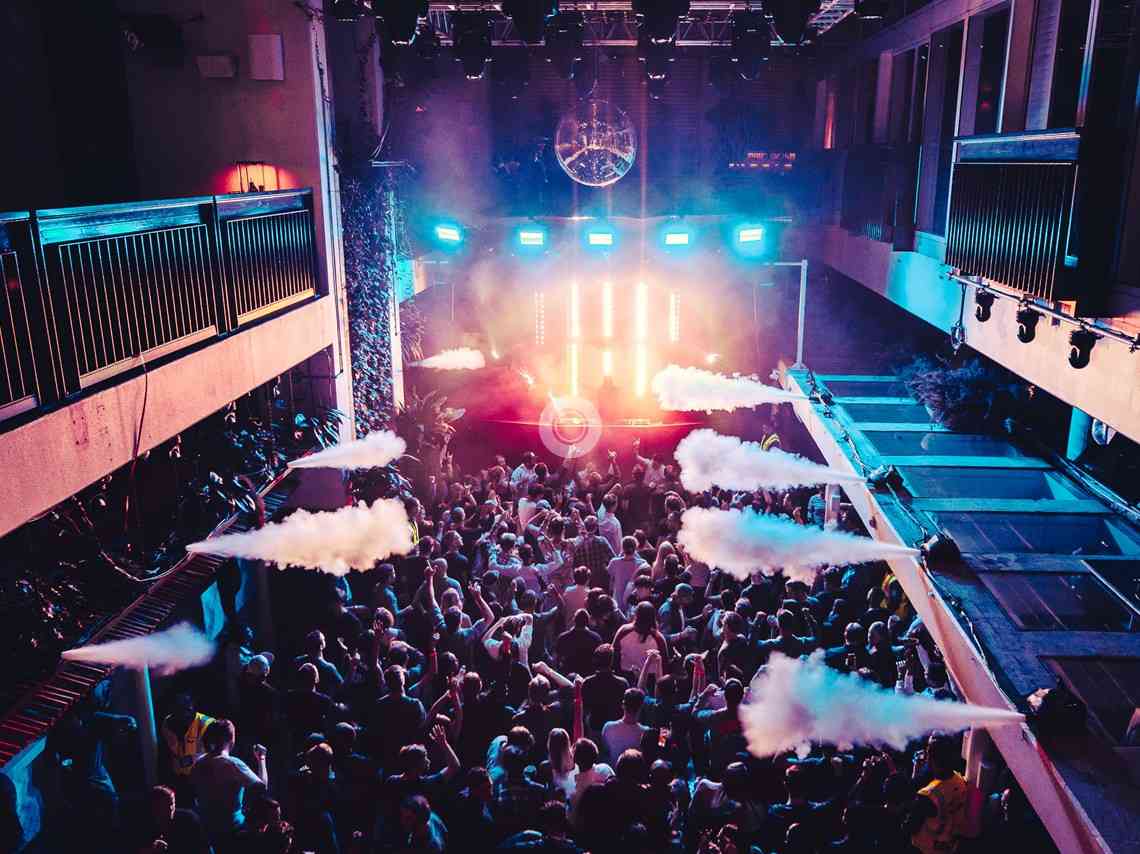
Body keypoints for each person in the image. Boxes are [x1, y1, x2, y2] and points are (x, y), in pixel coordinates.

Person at [190, 719, 268, 843]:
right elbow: (262, 788)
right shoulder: (232, 763)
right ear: (231, 739)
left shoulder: (198, 762)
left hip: (206, 830)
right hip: (233, 831)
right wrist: (261, 758)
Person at [910, 734, 978, 854]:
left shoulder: (927, 794)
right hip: (949, 847)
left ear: (931, 760)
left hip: (925, 849)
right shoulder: (959, 780)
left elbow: (911, 826)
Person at [613, 602, 669, 679]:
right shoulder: (658, 637)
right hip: (649, 678)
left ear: (636, 615)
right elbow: (665, 662)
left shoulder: (623, 631)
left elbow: (614, 654)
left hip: (625, 675)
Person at [601, 688, 651, 762]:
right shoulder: (646, 732)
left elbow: (606, 750)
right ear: (641, 708)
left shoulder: (608, 727)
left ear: (623, 705)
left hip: (614, 769)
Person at [607, 536, 649, 607]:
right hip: (634, 600)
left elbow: (610, 577)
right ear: (635, 548)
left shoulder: (614, 562)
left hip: (618, 600)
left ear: (622, 548)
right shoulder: (642, 563)